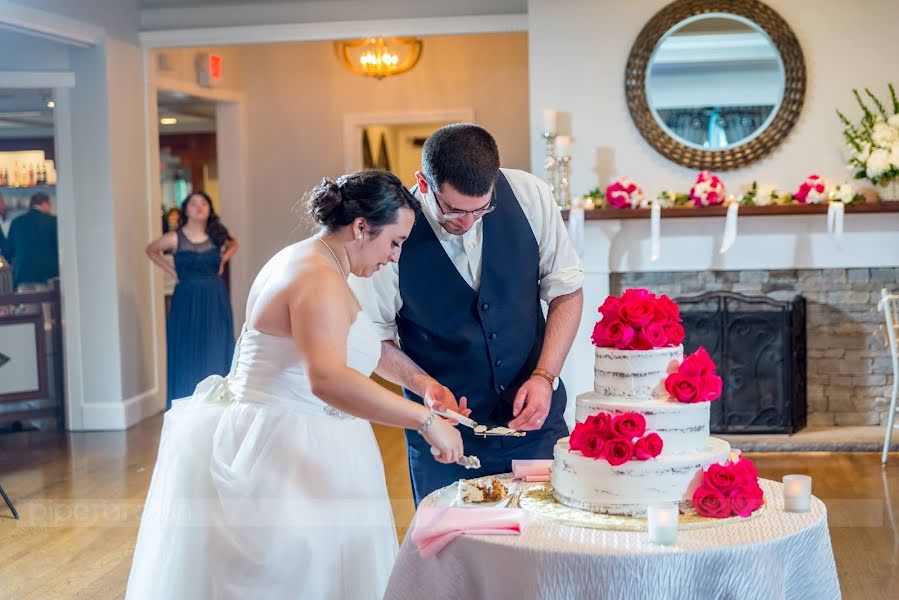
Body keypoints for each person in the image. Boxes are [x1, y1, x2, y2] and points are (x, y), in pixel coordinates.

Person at [125, 171, 463, 600]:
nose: (396, 257)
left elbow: (357, 346)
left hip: (308, 442)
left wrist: (422, 383)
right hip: (286, 453)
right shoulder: (315, 278)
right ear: (361, 227)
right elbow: (326, 378)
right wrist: (424, 420)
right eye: (394, 242)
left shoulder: (318, 261)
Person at [352, 123, 584, 505]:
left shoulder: (530, 196)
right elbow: (372, 338)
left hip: (537, 426)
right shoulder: (389, 232)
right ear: (423, 184)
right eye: (456, 211)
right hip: (445, 439)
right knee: (453, 558)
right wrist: (425, 386)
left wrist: (545, 376)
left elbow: (567, 293)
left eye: (483, 209)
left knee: (545, 545)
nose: (469, 222)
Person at [146, 191, 238, 406]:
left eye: (204, 203)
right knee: (186, 350)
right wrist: (171, 271)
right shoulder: (175, 238)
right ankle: (187, 403)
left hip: (215, 297)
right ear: (185, 209)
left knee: (215, 346)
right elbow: (151, 250)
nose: (199, 207)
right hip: (186, 298)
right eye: (193, 203)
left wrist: (223, 259)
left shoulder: (217, 236)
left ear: (209, 210)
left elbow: (235, 244)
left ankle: (218, 403)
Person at [5, 192, 59, 291]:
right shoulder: (52, 221)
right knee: (47, 305)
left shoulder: (16, 222)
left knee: (28, 304)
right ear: (45, 204)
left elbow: (8, 250)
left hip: (23, 275)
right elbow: (58, 247)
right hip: (47, 274)